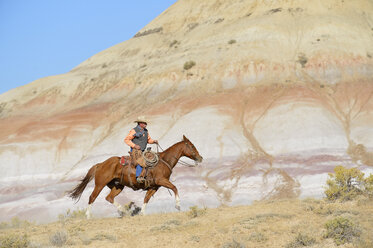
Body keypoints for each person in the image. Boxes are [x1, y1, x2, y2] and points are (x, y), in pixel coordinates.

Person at [124, 116, 158, 183]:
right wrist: (134, 145)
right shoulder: (134, 130)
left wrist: (153, 141)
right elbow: (126, 139)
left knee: (151, 158)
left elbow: (148, 140)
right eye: (145, 123)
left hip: (142, 150)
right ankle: (138, 177)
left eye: (146, 123)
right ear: (140, 123)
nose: (146, 124)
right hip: (135, 151)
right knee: (140, 161)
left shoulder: (146, 131)